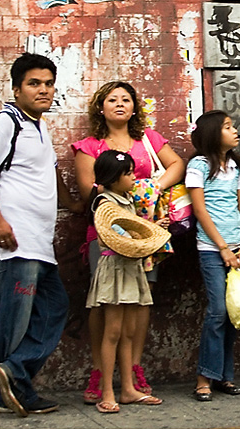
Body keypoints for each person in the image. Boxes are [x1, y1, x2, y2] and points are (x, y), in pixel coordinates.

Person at [0, 52, 82, 417]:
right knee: (14, 320)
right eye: (34, 83)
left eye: (48, 84)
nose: (43, 90)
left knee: (54, 308)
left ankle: (14, 373)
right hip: (13, 242)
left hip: (39, 243)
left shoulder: (39, 127)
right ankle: (10, 393)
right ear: (17, 88)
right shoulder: (3, 124)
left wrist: (75, 206)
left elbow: (48, 176)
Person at [71, 81, 185, 404]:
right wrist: (126, 193)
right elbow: (86, 192)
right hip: (106, 237)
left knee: (141, 298)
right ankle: (99, 372)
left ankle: (133, 369)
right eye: (112, 99)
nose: (119, 104)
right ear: (101, 108)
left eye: (126, 99)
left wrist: (151, 188)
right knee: (104, 305)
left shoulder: (148, 139)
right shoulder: (89, 146)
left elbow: (177, 164)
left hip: (145, 236)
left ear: (135, 108)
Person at [85, 150, 163, 413]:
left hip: (131, 268)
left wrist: (152, 227)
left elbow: (134, 229)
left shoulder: (127, 199)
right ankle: (107, 391)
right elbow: (119, 233)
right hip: (114, 269)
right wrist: (143, 232)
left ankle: (128, 388)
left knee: (129, 331)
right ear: (113, 178)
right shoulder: (104, 203)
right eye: (128, 173)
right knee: (113, 331)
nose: (133, 177)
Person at [185, 110, 240, 402]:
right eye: (227, 127)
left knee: (235, 312)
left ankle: (225, 376)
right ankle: (204, 377)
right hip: (212, 249)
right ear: (213, 133)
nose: (234, 130)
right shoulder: (198, 165)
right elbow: (200, 210)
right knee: (218, 311)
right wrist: (223, 247)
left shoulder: (236, 167)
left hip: (238, 250)